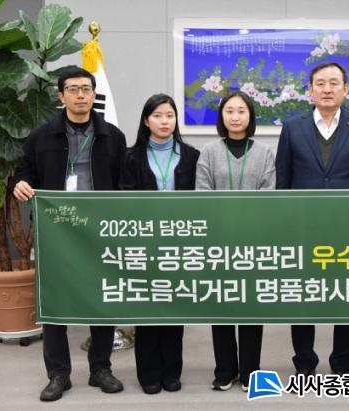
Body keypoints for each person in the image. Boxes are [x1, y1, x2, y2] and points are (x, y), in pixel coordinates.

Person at [12, 66, 126, 402]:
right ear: (61, 96)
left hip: (100, 231)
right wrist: (19, 183)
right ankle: (58, 374)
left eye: (86, 89)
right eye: (73, 89)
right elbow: (24, 173)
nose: (81, 95)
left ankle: (100, 368)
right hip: (56, 231)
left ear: (94, 94)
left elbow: (124, 183)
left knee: (101, 300)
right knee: (56, 303)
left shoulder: (113, 136)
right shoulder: (41, 136)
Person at [275, 62, 349, 376]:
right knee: (302, 296)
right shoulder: (292, 127)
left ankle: (342, 364)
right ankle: (304, 362)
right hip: (302, 227)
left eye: (334, 83)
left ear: (346, 89)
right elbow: (283, 182)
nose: (327, 89)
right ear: (310, 90)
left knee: (345, 296)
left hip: (347, 228)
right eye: (320, 83)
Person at [196, 90, 275, 391]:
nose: (235, 116)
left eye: (241, 111)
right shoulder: (209, 151)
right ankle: (225, 370)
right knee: (222, 305)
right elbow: (202, 195)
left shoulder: (265, 152)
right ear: (222, 116)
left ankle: (251, 370)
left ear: (250, 116)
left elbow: (268, 194)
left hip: (255, 241)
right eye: (229, 111)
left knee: (251, 307)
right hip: (218, 241)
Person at [120, 94, 199, 394]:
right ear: (146, 121)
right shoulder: (130, 157)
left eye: (170, 115)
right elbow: (124, 199)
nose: (164, 121)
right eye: (157, 116)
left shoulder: (191, 156)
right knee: (147, 307)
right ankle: (148, 373)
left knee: (174, 306)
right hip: (144, 242)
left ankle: (172, 370)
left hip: (181, 242)